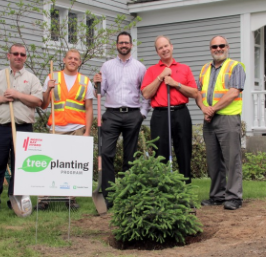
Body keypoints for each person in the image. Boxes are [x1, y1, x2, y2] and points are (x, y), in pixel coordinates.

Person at [0, 43, 43, 212]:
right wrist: (2, 99)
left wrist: (17, 95)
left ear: (25, 58)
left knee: (22, 167)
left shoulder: (31, 79)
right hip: (1, 128)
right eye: (15, 54)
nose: (19, 57)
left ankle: (15, 200)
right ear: (8, 56)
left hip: (23, 128)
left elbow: (38, 101)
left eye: (22, 54)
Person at [93, 31, 150, 207]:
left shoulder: (140, 67)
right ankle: (109, 196)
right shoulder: (107, 66)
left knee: (130, 156)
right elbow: (100, 93)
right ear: (117, 45)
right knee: (106, 152)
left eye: (126, 42)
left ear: (131, 45)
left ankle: (127, 193)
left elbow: (146, 93)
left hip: (133, 114)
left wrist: (143, 112)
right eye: (121, 43)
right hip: (111, 114)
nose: (123, 45)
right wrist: (96, 83)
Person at [37, 48, 94, 210]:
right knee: (50, 163)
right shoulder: (52, 77)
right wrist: (48, 88)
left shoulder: (85, 81)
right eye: (70, 58)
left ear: (80, 62)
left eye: (76, 59)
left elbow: (89, 108)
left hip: (77, 128)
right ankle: (44, 199)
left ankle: (70, 198)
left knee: (73, 164)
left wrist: (87, 132)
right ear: (64, 59)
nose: (73, 61)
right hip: (57, 127)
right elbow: (43, 104)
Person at [196, 35, 246, 210]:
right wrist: (204, 109)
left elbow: (233, 92)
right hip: (209, 119)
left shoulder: (235, 67)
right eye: (214, 46)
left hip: (228, 119)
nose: (218, 49)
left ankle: (234, 197)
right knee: (213, 160)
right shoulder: (204, 69)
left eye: (221, 45)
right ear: (210, 49)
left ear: (227, 47)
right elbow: (198, 93)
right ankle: (217, 195)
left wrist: (212, 109)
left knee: (232, 159)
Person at [141, 35, 198, 184]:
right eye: (160, 48)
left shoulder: (184, 68)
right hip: (160, 115)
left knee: (184, 151)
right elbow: (146, 93)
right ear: (157, 52)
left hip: (181, 112)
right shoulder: (152, 71)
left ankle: (185, 190)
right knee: (161, 152)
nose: (164, 49)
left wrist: (175, 84)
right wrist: (161, 77)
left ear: (171, 47)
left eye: (166, 46)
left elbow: (194, 92)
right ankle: (163, 190)